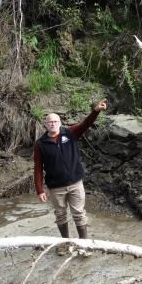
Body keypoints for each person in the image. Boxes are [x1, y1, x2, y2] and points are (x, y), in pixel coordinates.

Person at [34, 99, 107, 256]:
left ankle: (84, 245)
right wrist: (40, 190)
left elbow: (85, 124)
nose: (53, 124)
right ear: (45, 125)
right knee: (60, 215)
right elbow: (38, 168)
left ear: (60, 122)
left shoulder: (70, 133)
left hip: (75, 183)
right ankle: (65, 243)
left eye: (55, 121)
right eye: (50, 122)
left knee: (79, 214)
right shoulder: (40, 144)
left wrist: (95, 111)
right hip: (56, 187)